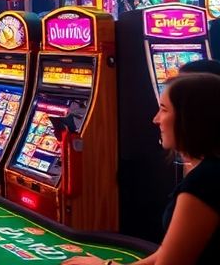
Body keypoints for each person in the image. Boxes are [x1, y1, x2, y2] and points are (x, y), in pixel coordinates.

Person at [65, 72, 220, 265]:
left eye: (164, 109)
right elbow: (168, 250)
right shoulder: (209, 170)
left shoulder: (205, 181)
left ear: (190, 118)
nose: (156, 119)